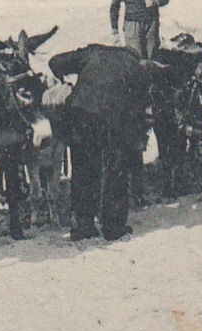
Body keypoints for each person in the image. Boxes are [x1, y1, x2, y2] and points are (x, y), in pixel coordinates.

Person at [48, 43, 151, 242]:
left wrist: (67, 83)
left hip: (81, 113)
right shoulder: (137, 67)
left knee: (83, 169)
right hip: (117, 121)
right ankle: (112, 227)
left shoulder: (92, 52)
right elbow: (142, 107)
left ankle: (83, 226)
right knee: (116, 171)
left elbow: (55, 62)